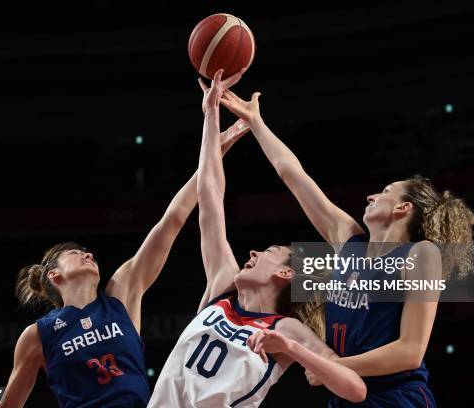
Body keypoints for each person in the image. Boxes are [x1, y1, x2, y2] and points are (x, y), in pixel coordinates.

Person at [220, 88, 474, 407]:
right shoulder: (350, 241)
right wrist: (256, 122)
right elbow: (294, 175)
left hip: (397, 397)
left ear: (402, 209)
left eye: (385, 191)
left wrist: (333, 366)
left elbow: (411, 352)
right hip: (347, 396)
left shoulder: (421, 254)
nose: (372, 196)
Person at [0, 116, 251, 408]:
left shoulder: (121, 294)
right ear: (54, 275)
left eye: (87, 251)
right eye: (75, 253)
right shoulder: (38, 335)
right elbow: (9, 403)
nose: (87, 254)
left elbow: (173, 219)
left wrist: (212, 156)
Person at [148, 69, 366, 408]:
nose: (253, 251)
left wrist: (292, 349)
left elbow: (355, 389)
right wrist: (210, 114)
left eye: (270, 251)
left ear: (286, 273)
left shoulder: (286, 329)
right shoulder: (221, 292)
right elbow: (210, 198)